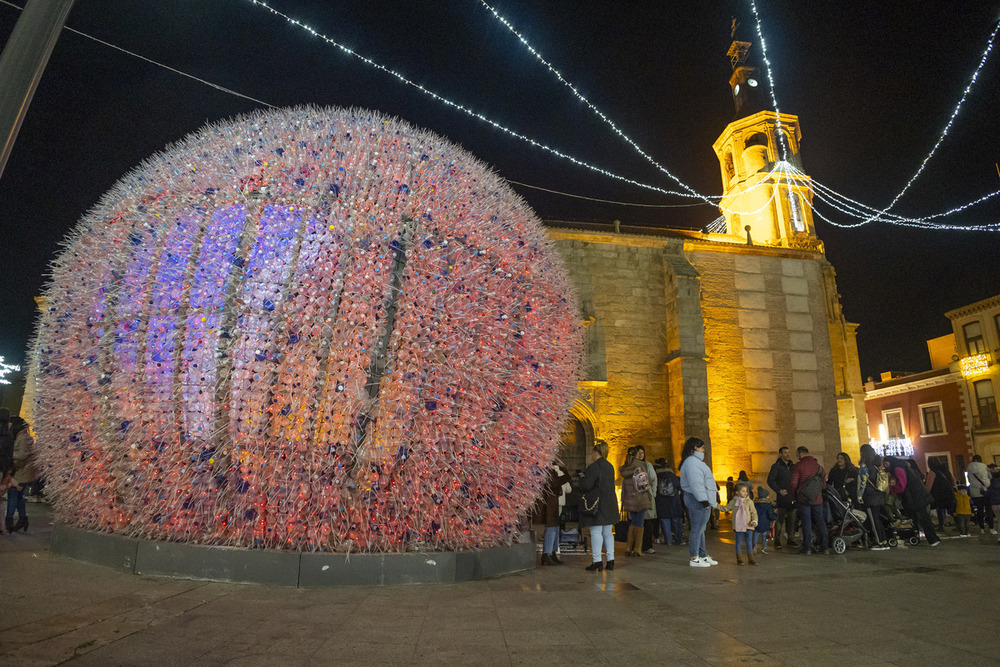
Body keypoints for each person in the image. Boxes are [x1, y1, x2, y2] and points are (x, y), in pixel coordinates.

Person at [578, 440, 618, 571]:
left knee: (595, 532)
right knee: (608, 532)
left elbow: (586, 485)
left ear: (596, 453)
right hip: (609, 503)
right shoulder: (610, 466)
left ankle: (597, 561)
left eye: (592, 453)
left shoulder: (595, 466)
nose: (591, 455)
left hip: (598, 504)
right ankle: (611, 560)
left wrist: (581, 479)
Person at [679, 437, 719, 567]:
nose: (703, 450)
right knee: (697, 529)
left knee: (701, 529)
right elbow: (696, 483)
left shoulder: (693, 462)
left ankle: (701, 555)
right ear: (695, 448)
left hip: (698, 499)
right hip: (697, 499)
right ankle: (694, 557)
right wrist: (704, 501)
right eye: (702, 447)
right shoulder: (692, 463)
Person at [886, 457, 940, 547]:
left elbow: (902, 486)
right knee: (923, 517)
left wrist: (892, 489)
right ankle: (931, 538)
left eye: (885, 463)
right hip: (917, 496)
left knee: (922, 518)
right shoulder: (905, 468)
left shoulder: (898, 469)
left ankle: (932, 539)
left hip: (914, 497)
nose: (885, 465)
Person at [789, 446, 829, 555]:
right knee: (820, 522)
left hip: (803, 499)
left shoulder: (798, 466)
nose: (797, 456)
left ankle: (807, 548)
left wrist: (793, 497)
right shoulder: (817, 465)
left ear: (801, 453)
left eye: (797, 454)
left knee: (806, 523)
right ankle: (824, 547)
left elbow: (793, 483)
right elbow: (823, 482)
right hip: (817, 499)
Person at [5, 417, 36, 533]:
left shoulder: (23, 437)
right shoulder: (21, 436)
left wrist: (9, 453)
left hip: (23, 471)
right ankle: (23, 519)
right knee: (18, 495)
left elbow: (23, 454)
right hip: (22, 470)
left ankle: (9, 520)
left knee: (13, 494)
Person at [619, 446, 652, 557]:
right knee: (640, 523)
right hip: (639, 498)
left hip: (629, 499)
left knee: (633, 522)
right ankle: (637, 549)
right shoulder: (640, 466)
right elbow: (644, 484)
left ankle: (629, 547)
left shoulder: (626, 467)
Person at [857, 444, 889, 549]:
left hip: (870, 496)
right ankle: (884, 540)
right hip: (878, 495)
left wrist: (859, 496)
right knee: (877, 519)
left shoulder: (865, 466)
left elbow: (862, 482)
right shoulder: (876, 465)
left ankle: (879, 542)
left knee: (873, 520)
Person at [539, 459, 571, 565]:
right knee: (551, 527)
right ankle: (547, 554)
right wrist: (567, 474)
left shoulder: (551, 469)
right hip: (549, 502)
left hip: (553, 501)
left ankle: (552, 553)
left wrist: (563, 470)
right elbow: (555, 482)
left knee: (555, 527)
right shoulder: (547, 470)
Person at [767, 446, 797, 550]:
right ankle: (777, 540)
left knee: (792, 519)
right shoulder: (776, 466)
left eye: (788, 452)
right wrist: (779, 490)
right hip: (782, 498)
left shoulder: (792, 466)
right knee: (780, 520)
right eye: (785, 453)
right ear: (780, 454)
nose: (787, 454)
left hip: (792, 497)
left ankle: (791, 539)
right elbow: (770, 480)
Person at [725, 481, 758, 565]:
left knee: (749, 543)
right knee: (738, 543)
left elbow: (753, 512)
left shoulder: (749, 501)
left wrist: (754, 521)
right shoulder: (734, 501)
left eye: (746, 491)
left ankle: (751, 559)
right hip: (738, 526)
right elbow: (726, 508)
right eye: (743, 491)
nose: (745, 492)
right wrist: (715, 505)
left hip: (748, 525)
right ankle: (739, 559)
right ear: (737, 492)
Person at [654, 458, 683, 546]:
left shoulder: (657, 477)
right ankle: (679, 540)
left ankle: (668, 541)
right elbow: (680, 487)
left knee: (665, 522)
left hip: (662, 504)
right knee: (676, 521)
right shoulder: (674, 477)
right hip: (674, 503)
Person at [636, 445, 658, 554]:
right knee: (637, 522)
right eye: (638, 453)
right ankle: (637, 546)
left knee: (647, 522)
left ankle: (647, 545)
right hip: (636, 497)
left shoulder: (647, 465)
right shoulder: (632, 465)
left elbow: (654, 480)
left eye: (642, 453)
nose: (640, 455)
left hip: (647, 496)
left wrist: (653, 493)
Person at [925, 461, 956, 531]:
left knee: (940, 509)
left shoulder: (932, 472)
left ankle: (941, 525)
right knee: (952, 510)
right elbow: (954, 480)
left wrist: (925, 493)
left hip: (939, 494)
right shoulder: (946, 471)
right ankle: (959, 524)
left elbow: (929, 486)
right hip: (949, 493)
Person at [967, 455, 993, 534]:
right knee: (989, 510)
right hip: (985, 490)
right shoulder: (984, 466)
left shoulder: (969, 467)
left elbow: (968, 478)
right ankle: (991, 528)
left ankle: (982, 528)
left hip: (975, 492)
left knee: (979, 510)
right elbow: (990, 476)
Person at [753, 486, 777, 554]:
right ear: (766, 496)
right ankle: (764, 548)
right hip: (765, 522)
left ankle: (754, 546)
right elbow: (770, 514)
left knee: (756, 534)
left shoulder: (755, 504)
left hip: (757, 522)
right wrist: (773, 518)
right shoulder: (768, 505)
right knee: (764, 536)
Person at [987, 470, 1000, 545]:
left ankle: (999, 537)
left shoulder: (991, 484)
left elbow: (987, 494)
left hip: (994, 504)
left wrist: (982, 491)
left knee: (999, 520)